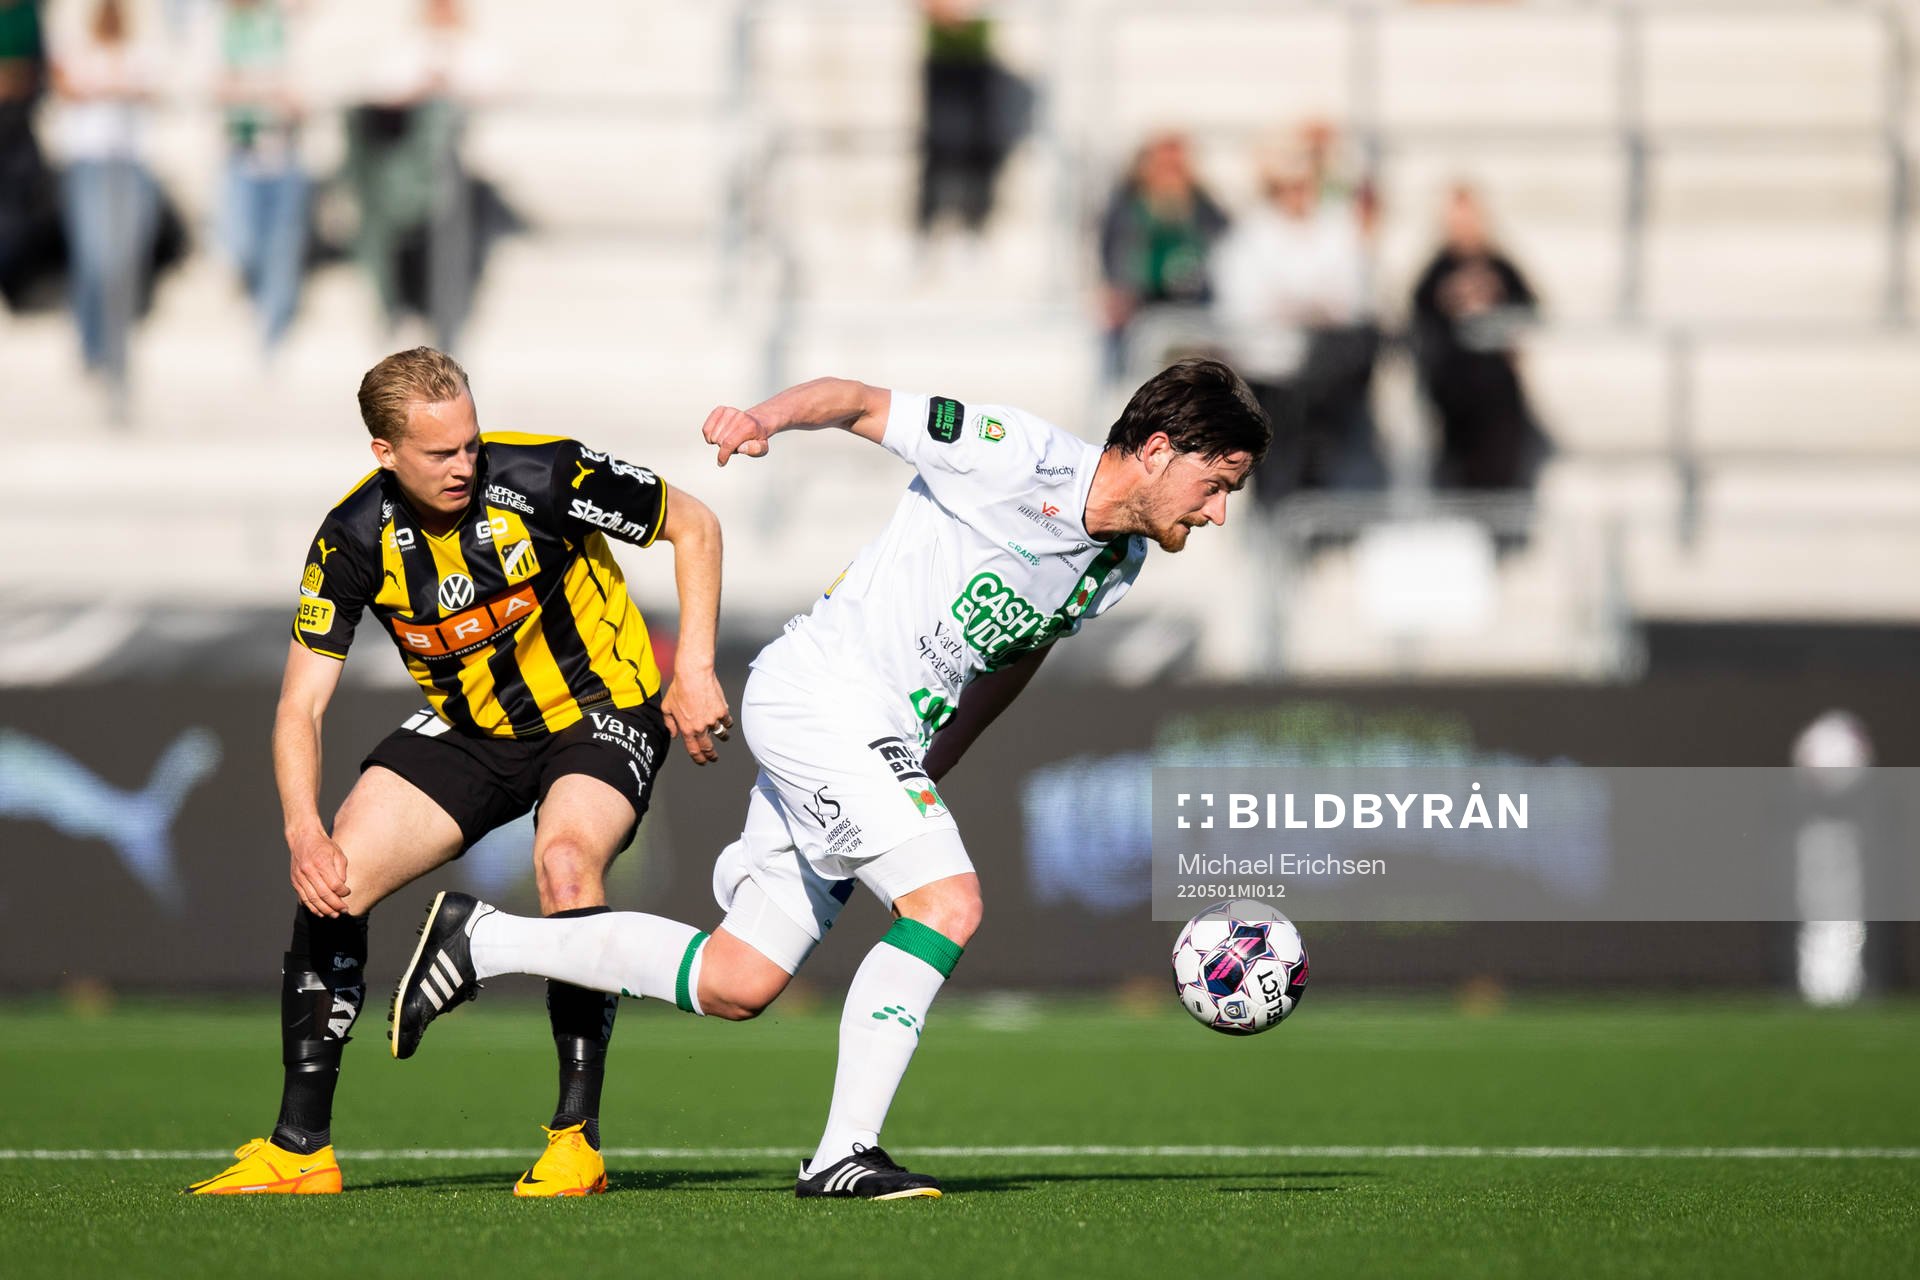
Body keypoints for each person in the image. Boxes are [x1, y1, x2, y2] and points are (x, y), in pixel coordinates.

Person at [390, 358, 1272, 1199]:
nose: (1219, 513)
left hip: (876, 734)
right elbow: (858, 401)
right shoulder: (1016, 454)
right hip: (825, 695)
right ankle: (845, 1152)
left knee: (739, 979)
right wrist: (762, 419)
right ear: (1159, 450)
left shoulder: (1119, 563)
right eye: (1216, 485)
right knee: (948, 903)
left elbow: (1019, 653)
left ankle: (483, 942)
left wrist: (938, 757)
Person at [186, 347, 731, 1198]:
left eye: (471, 444)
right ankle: (300, 1149)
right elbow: (300, 706)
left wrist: (692, 668)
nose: (464, 465)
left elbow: (694, 524)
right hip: (474, 726)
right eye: (440, 452)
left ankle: (576, 1142)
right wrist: (302, 830)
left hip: (600, 710)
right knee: (334, 879)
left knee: (565, 864)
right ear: (384, 453)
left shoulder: (546, 475)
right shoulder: (352, 537)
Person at [1212, 145, 1382, 503]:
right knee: (1279, 465)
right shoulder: (1250, 236)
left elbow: (1354, 297)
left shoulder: (1336, 230)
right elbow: (1245, 306)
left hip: (1331, 377)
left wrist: (1301, 306)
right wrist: (1308, 307)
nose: (1298, 194)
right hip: (1271, 375)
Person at [49, 0, 159, 400]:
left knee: (123, 262)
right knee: (95, 259)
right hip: (90, 165)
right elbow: (65, 86)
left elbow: (149, 89)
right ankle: (92, 345)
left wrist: (113, 88)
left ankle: (119, 352)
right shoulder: (79, 49)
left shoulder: (137, 51)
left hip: (129, 164)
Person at [1410, 184, 1547, 492]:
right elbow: (1420, 318)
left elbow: (1529, 310)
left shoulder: (1500, 266)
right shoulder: (1437, 270)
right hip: (1453, 392)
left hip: (1497, 393)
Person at [214, 0, 308, 352]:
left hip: (283, 150)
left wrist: (254, 89)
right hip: (243, 150)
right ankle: (259, 314)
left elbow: (297, 95)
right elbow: (221, 86)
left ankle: (273, 338)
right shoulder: (228, 27)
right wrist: (263, 91)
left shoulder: (285, 25)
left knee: (281, 247)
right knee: (242, 243)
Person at [1097, 132, 1229, 380]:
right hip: (1141, 302)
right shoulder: (1128, 206)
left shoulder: (1203, 205)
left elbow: (1224, 245)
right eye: (1164, 165)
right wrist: (1117, 291)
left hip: (1194, 302)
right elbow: (1112, 253)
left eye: (1177, 166)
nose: (1170, 174)